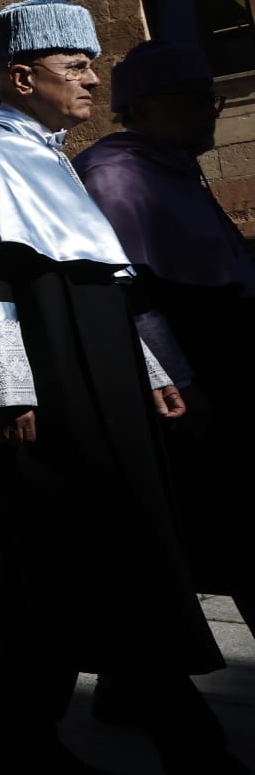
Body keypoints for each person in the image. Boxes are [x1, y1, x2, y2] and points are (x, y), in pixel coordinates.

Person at [0, 0, 226, 772]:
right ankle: (192, 750)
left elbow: (102, 285)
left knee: (80, 570)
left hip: (104, 389)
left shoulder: (47, 154)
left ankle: (25, 741)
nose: (92, 80)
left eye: (91, 64)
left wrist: (151, 372)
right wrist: (8, 392)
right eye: (75, 67)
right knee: (90, 561)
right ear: (22, 76)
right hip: (49, 394)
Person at [75, 40, 255, 631]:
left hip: (225, 363)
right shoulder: (115, 172)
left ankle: (133, 683)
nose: (209, 112)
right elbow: (132, 289)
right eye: (195, 100)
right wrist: (177, 377)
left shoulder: (179, 167)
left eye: (213, 100)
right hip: (190, 379)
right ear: (145, 109)